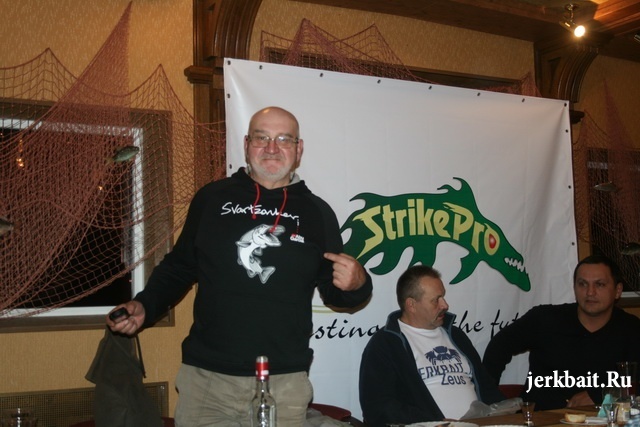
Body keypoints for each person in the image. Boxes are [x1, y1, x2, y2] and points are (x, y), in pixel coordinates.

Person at [107, 106, 373, 426]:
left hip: (284, 383)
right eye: (262, 138)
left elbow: (336, 293)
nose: (272, 148)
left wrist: (359, 284)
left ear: (298, 149)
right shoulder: (211, 198)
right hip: (207, 382)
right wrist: (145, 305)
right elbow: (179, 267)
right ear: (246, 145)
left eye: (284, 139)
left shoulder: (318, 213)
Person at [482, 254, 640, 410]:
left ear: (618, 290)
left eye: (599, 284)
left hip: (606, 419)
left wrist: (600, 395)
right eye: (582, 284)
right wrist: (491, 400)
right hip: (540, 418)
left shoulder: (632, 329)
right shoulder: (545, 319)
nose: (590, 292)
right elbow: (498, 347)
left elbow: (635, 384)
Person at [359, 265, 504, 426]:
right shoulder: (385, 344)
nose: (445, 305)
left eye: (443, 297)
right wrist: (432, 422)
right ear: (411, 305)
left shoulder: (456, 335)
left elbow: (486, 387)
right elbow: (376, 406)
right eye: (436, 300)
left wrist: (506, 414)